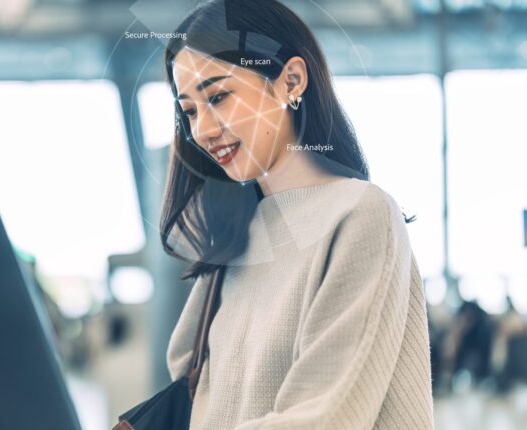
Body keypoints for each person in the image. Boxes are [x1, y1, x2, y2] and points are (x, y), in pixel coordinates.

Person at [158, 1, 434, 429]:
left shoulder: (359, 215)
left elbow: (328, 417)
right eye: (190, 110)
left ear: (290, 81)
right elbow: (187, 378)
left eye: (218, 96)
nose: (203, 130)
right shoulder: (235, 238)